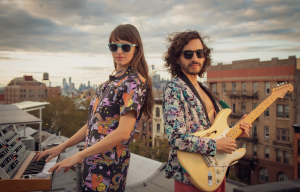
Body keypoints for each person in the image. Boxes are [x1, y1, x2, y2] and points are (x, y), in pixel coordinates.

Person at [34, 24, 154, 192]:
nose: (119, 51)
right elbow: (93, 125)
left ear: (136, 49)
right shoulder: (106, 84)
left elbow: (123, 133)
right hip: (91, 164)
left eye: (125, 46)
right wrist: (61, 147)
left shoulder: (133, 82)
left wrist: (78, 156)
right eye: (114, 46)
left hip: (109, 168)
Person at [162, 31, 252, 192]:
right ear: (177, 58)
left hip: (217, 172)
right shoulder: (174, 89)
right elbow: (176, 138)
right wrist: (216, 145)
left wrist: (236, 132)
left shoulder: (206, 90)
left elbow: (212, 132)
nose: (195, 58)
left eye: (199, 53)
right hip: (190, 177)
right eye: (188, 54)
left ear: (205, 57)